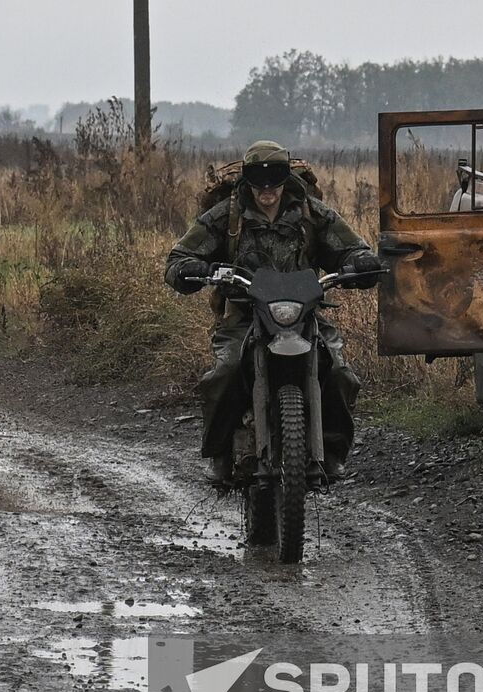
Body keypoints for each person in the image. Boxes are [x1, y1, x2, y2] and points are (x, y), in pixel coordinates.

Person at [164, 140, 383, 484]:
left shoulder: (312, 213)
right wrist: (192, 270)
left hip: (304, 314)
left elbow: (352, 247)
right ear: (246, 180)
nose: (267, 188)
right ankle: (220, 453)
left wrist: (360, 262)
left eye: (275, 178)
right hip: (244, 315)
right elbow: (179, 256)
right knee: (226, 371)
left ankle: (333, 451)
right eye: (258, 179)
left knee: (340, 372)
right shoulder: (227, 215)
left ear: (287, 178)